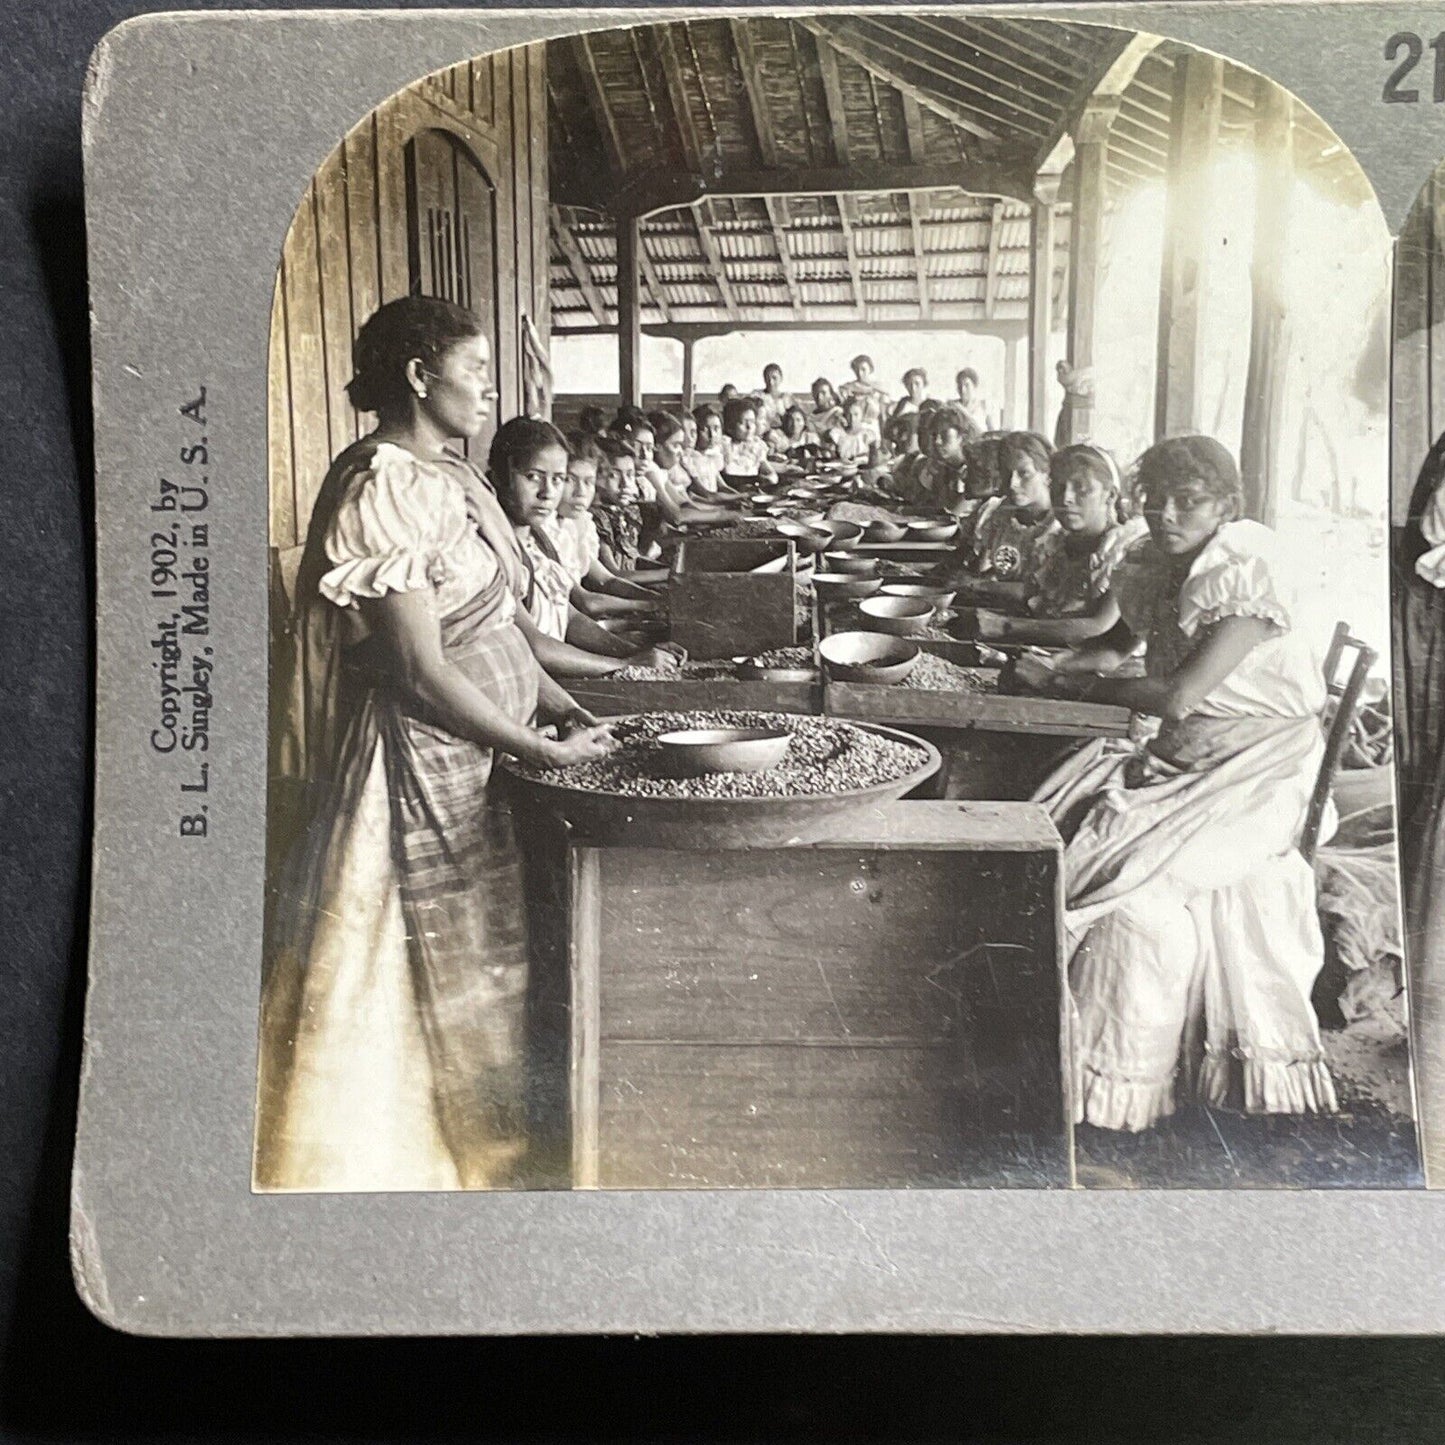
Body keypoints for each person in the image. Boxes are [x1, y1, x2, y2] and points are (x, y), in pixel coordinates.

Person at [255, 297, 617, 1192]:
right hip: (413, 764)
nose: (488, 394)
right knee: (393, 969)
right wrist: (536, 750)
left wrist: (559, 706)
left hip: (480, 758)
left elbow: (495, 628)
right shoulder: (384, 481)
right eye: (476, 375)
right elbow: (417, 670)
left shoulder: (449, 475)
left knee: (482, 955)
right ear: (420, 377)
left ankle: (483, 1150)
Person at [1008, 435, 1336, 1132]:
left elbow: (1182, 693)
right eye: (1154, 497)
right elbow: (1118, 647)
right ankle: (1068, 1064)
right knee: (1064, 823)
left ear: (1226, 506)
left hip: (1257, 771)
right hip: (1185, 759)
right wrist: (1056, 661)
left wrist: (1077, 677)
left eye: (1187, 500)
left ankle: (1119, 1090)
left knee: (1127, 885)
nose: (1164, 512)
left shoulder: (1244, 570)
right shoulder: (1157, 562)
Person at [973, 444, 1148, 647]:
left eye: (1082, 489)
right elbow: (1031, 594)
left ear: (1110, 496)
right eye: (1058, 488)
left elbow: (1098, 625)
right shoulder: (1056, 543)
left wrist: (1005, 625)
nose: (1066, 498)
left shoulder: (1122, 550)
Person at [551, 433, 665, 620]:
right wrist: (650, 604)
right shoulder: (549, 531)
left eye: (588, 482)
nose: (581, 492)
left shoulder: (576, 523)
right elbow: (587, 602)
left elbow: (606, 580)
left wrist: (655, 598)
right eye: (569, 480)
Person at [952, 431, 1056, 606]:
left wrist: (977, 585)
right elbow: (1003, 570)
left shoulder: (1058, 525)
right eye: (1007, 473)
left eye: (1024, 473)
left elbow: (1037, 591)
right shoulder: (1004, 513)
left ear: (1047, 474)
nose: (1012, 484)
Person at [720, 396, 777, 480]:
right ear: (730, 426)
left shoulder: (756, 446)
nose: (749, 427)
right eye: (743, 422)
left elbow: (772, 474)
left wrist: (767, 479)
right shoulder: (724, 446)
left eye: (752, 422)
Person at [827, 393, 880, 467]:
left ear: (862, 416)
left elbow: (873, 462)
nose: (852, 419)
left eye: (856, 414)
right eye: (849, 414)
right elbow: (832, 458)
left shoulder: (867, 435)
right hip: (842, 470)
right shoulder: (838, 434)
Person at [838, 354, 890, 426]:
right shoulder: (848, 387)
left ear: (870, 369)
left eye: (863, 369)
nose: (860, 373)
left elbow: (883, 415)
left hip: (873, 425)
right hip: (854, 426)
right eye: (857, 370)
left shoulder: (879, 389)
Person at [753, 362, 795, 434]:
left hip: (783, 433)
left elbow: (793, 421)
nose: (771, 382)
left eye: (774, 378)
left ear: (781, 378)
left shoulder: (787, 398)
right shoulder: (757, 395)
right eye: (767, 378)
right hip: (762, 433)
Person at [956, 366, 997, 434]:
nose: (963, 390)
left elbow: (992, 433)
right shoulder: (954, 407)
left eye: (967, 385)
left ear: (974, 386)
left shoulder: (984, 406)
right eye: (960, 385)